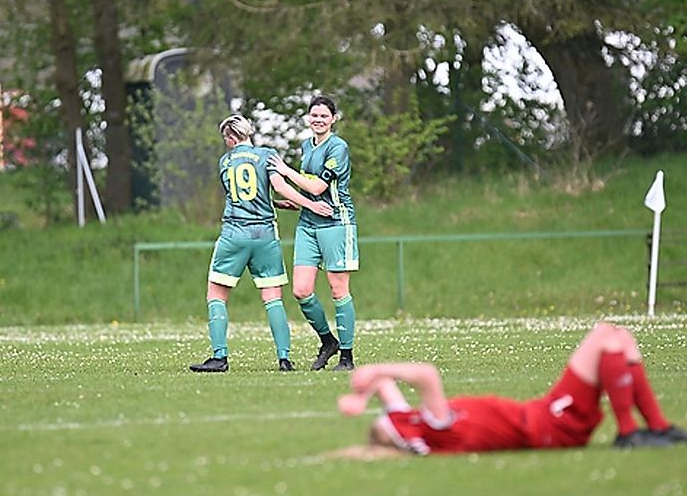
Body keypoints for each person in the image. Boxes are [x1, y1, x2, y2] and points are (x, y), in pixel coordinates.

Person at [333, 322, 687, 457]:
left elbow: (386, 390)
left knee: (617, 337)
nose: (396, 413)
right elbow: (426, 374)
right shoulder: (434, 429)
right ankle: (629, 433)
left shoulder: (411, 424)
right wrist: (378, 371)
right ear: (402, 436)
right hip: (550, 426)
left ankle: (657, 427)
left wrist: (361, 394)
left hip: (544, 415)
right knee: (605, 338)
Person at [190, 114, 333, 373]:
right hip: (265, 236)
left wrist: (285, 203)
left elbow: (240, 197)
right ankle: (284, 359)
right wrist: (309, 205)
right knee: (273, 298)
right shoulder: (266, 156)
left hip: (234, 234)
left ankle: (219, 357)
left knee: (216, 295)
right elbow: (279, 187)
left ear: (231, 137)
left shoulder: (225, 161)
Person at [270, 95, 358, 371]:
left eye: (324, 116)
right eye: (314, 115)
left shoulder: (338, 147)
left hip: (336, 222)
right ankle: (328, 341)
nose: (318, 120)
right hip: (308, 223)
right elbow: (308, 188)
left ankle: (347, 357)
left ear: (334, 119)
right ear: (308, 117)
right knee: (301, 290)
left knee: (338, 288)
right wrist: (293, 202)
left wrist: (285, 171)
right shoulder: (306, 146)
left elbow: (320, 187)